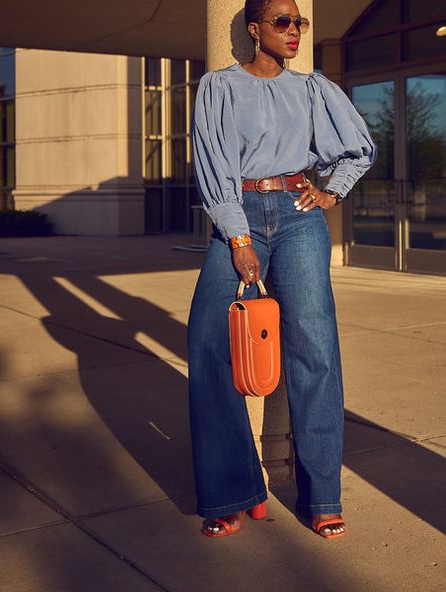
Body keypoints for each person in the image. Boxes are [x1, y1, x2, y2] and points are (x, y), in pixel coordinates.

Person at [188, 0, 377, 539]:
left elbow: (359, 149)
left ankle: (321, 497)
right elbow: (212, 162)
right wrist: (238, 235)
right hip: (239, 214)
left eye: (300, 23)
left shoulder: (313, 88)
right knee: (208, 343)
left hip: (298, 216)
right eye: (282, 22)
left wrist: (329, 192)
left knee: (314, 350)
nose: (294, 32)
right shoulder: (219, 87)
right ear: (254, 30)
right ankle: (232, 491)